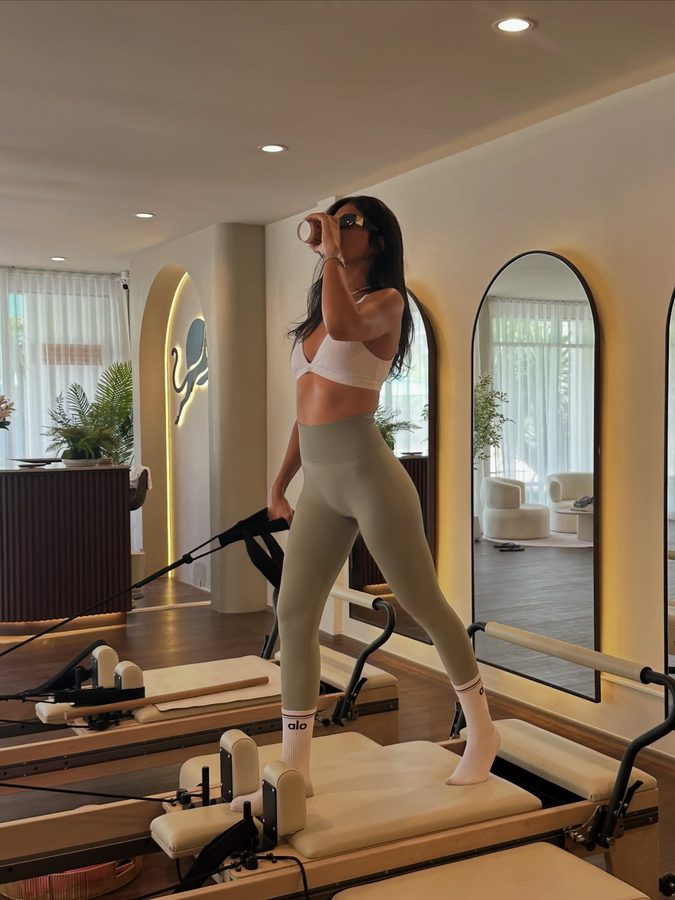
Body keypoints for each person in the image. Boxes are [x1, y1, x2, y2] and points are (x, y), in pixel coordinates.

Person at [232, 196, 499, 813]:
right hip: (321, 480)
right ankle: (295, 759)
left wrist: (327, 257)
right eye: (334, 219)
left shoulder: (387, 304)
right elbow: (306, 408)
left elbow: (348, 328)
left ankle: (482, 729)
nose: (335, 229)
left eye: (348, 222)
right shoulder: (316, 320)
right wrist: (279, 485)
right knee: (294, 611)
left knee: (422, 602)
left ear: (375, 240)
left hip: (368, 473)